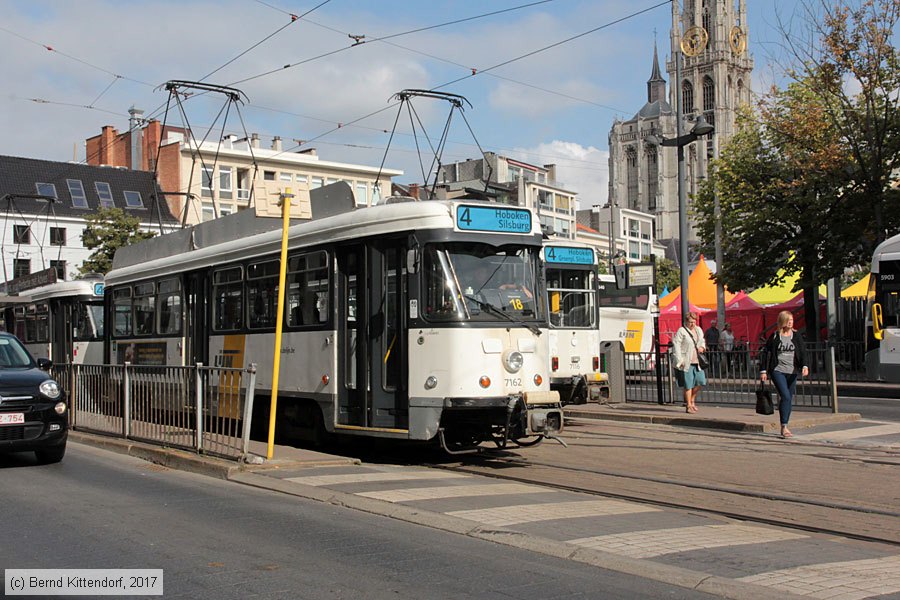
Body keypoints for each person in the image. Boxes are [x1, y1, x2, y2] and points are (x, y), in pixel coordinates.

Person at [759, 311, 809, 439]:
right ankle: (785, 426)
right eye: (788, 320)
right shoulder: (775, 336)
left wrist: (804, 366)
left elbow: (803, 351)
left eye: (792, 320)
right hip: (778, 370)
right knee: (785, 396)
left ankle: (784, 423)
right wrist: (763, 370)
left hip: (792, 371)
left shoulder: (796, 336)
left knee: (787, 398)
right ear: (782, 321)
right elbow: (766, 352)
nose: (791, 322)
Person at [672, 311, 707, 413]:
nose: (693, 324)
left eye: (694, 322)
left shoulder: (698, 330)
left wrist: (702, 347)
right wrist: (680, 360)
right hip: (687, 361)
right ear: (686, 322)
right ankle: (688, 405)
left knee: (700, 382)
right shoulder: (681, 331)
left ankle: (692, 400)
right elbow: (677, 345)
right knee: (688, 384)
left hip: (697, 361)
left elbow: (702, 341)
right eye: (690, 322)